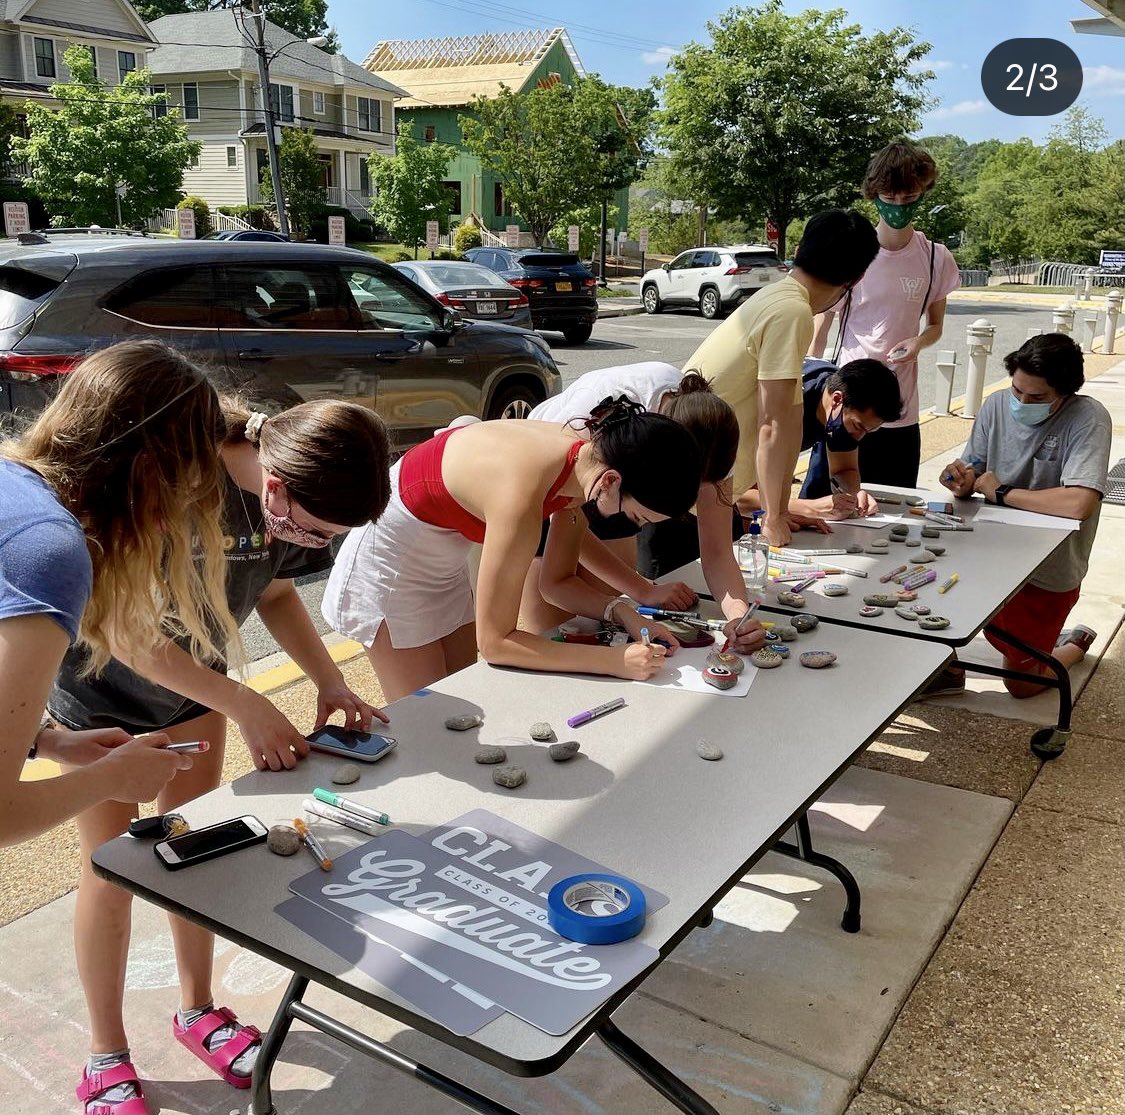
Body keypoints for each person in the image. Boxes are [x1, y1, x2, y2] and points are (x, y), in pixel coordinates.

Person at [51, 395, 392, 1114]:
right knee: (111, 873)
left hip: (192, 694)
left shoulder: (283, 505)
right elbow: (129, 632)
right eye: (314, 530)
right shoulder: (176, 486)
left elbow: (272, 592)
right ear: (278, 489)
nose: (314, 544)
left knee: (188, 857)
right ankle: (105, 1052)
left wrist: (328, 678)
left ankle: (197, 1009)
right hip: (99, 702)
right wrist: (245, 703)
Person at [1, 341, 239, 855]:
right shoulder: (49, 549)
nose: (177, 517)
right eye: (188, 492)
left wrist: (46, 740)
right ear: (151, 470)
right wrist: (110, 780)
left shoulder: (12, 486)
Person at [323, 400, 703, 703]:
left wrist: (623, 611)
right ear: (611, 481)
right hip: (389, 568)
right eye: (635, 516)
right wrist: (613, 661)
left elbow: (557, 583)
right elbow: (496, 643)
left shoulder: (587, 455)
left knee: (461, 696)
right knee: (425, 721)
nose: (634, 527)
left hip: (441, 558)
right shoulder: (521, 496)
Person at [519, 364, 765, 652]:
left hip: (623, 486)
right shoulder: (589, 420)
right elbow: (560, 567)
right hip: (556, 483)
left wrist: (738, 615)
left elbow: (718, 550)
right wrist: (642, 590)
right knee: (552, 634)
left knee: (606, 632)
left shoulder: (713, 440)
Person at [686, 209, 880, 547]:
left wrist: (780, 510)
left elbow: (786, 421)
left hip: (699, 489)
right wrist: (773, 518)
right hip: (684, 497)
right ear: (858, 277)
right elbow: (772, 423)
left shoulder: (778, 298)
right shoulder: (793, 312)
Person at [931, 334, 1111, 699]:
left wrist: (1001, 492)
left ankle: (1073, 646)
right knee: (933, 602)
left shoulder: (1088, 418)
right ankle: (948, 670)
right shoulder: (997, 405)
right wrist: (960, 481)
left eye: (1037, 398)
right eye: (1017, 391)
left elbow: (1079, 503)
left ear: (1065, 392)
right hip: (989, 551)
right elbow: (973, 471)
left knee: (1022, 687)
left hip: (1049, 567)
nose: (1022, 403)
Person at [809, 140, 961, 487]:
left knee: (893, 513)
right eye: (889, 199)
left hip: (900, 412)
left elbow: (935, 325)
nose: (898, 207)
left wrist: (919, 343)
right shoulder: (853, 251)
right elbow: (824, 319)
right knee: (829, 506)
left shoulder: (936, 257)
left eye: (908, 198)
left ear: (923, 192)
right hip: (846, 405)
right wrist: (807, 373)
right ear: (874, 195)